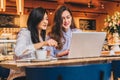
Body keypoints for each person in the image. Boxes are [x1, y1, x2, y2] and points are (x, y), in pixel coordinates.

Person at [7, 7, 57, 80]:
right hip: (20, 75)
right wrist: (43, 43)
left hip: (36, 74)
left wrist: (48, 54)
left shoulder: (43, 37)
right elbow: (18, 52)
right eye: (41, 19)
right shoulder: (25, 33)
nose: (45, 22)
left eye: (46, 19)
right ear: (35, 20)